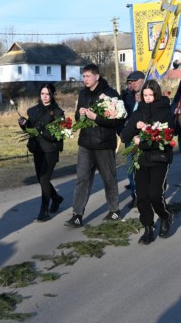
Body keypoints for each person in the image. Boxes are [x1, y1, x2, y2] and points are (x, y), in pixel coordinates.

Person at [65, 63, 125, 228]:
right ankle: (77, 215)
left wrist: (96, 117)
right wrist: (81, 114)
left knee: (108, 178)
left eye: (88, 76)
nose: (85, 79)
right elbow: (78, 116)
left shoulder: (111, 94)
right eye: (83, 76)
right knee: (82, 179)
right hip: (85, 143)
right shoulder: (83, 94)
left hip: (104, 143)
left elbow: (117, 120)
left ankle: (114, 211)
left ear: (97, 76)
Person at [121, 79, 174, 244]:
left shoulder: (165, 112)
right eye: (145, 95)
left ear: (156, 95)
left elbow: (166, 138)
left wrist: (143, 137)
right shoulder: (139, 111)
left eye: (150, 95)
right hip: (141, 160)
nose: (148, 98)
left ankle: (165, 217)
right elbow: (124, 136)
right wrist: (135, 126)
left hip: (159, 158)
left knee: (155, 195)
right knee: (142, 196)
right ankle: (148, 228)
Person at [18, 83, 65, 222]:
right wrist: (24, 125)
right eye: (42, 94)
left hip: (51, 149)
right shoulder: (33, 111)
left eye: (48, 94)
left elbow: (59, 134)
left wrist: (42, 131)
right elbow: (30, 130)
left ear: (52, 95)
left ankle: (44, 211)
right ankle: (56, 198)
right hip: (37, 149)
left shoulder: (58, 113)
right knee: (41, 179)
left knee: (44, 179)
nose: (45, 97)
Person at [120, 70, 145, 206]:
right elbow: (120, 116)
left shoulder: (149, 94)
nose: (132, 84)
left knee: (143, 168)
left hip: (144, 137)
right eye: (130, 82)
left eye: (134, 81)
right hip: (129, 137)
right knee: (131, 168)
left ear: (142, 80)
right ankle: (135, 196)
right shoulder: (125, 97)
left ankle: (148, 195)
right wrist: (121, 132)